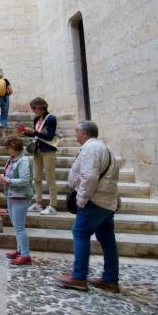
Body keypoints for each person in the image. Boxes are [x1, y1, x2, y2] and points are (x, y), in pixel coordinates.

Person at [55, 121, 121, 293]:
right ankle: (110, 279)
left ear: (84, 133)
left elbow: (90, 176)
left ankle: (78, 277)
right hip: (107, 200)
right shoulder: (104, 148)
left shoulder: (91, 149)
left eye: (76, 131)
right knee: (107, 238)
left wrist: (81, 199)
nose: (75, 134)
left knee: (80, 233)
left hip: (95, 200)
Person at [0, 136, 34, 265]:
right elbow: (11, 176)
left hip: (21, 196)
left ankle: (25, 255)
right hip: (12, 195)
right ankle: (20, 250)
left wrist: (6, 180)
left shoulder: (23, 161)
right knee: (16, 226)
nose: (6, 150)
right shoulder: (12, 160)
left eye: (8, 148)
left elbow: (24, 180)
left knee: (19, 227)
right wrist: (1, 177)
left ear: (14, 148)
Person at [17, 97, 58, 215]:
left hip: (48, 150)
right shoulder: (36, 119)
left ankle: (52, 205)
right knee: (36, 178)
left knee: (50, 178)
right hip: (37, 150)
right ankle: (39, 203)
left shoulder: (51, 119)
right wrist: (25, 132)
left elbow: (49, 137)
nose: (34, 110)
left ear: (41, 107)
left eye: (34, 108)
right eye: (33, 108)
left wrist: (33, 132)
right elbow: (37, 136)